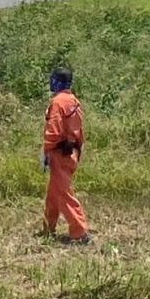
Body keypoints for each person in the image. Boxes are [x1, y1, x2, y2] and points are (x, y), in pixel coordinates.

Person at [42, 67, 91, 245]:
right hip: (73, 152)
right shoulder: (74, 101)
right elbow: (80, 131)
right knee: (54, 193)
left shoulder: (57, 103)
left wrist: (46, 151)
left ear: (56, 81)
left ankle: (80, 233)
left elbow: (53, 131)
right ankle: (48, 227)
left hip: (60, 153)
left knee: (63, 194)